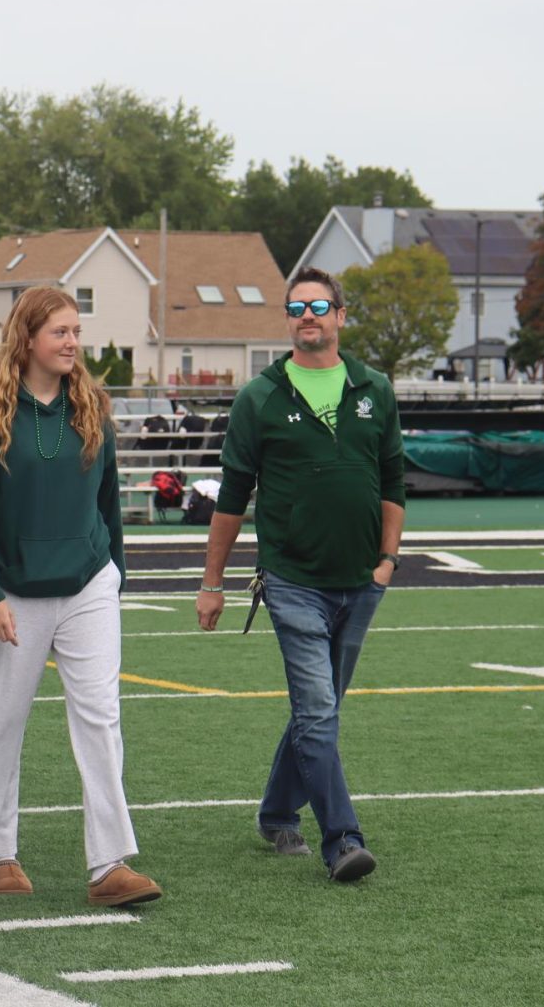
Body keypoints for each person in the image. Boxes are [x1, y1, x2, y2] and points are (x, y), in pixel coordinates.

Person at [196, 265, 405, 883]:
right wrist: (212, 584)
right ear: (286, 321)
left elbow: (392, 480)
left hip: (362, 580)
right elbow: (231, 499)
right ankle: (342, 839)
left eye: (318, 306)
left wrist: (387, 561)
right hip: (291, 580)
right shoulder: (259, 397)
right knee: (318, 710)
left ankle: (276, 809)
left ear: (341, 315)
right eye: (295, 308)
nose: (306, 316)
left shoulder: (375, 388)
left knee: (321, 707)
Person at [0, 286, 161, 908]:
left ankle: (110, 863)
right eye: (60, 333)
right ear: (27, 339)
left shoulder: (92, 405)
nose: (73, 342)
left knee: (101, 717)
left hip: (88, 582)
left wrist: (114, 574)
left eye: (76, 331)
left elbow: (109, 501)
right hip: (10, 592)